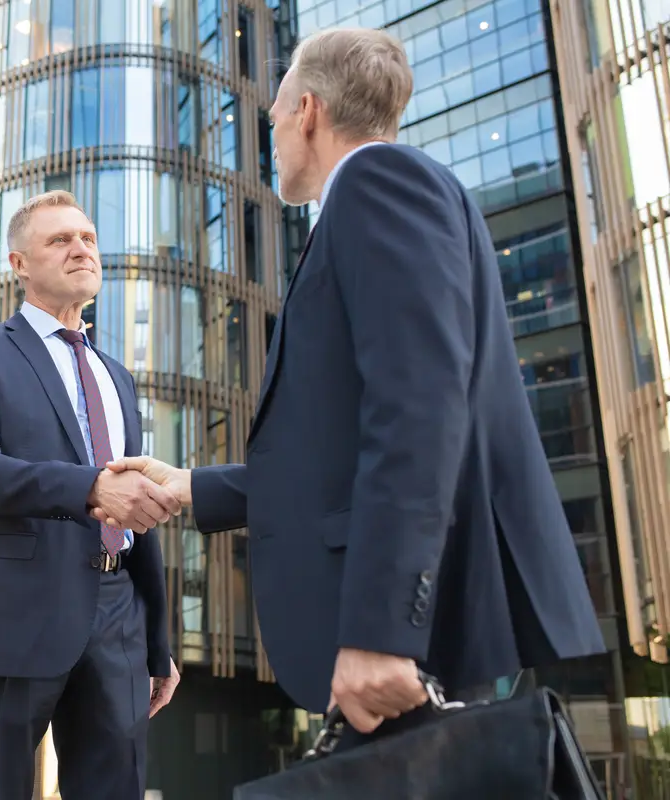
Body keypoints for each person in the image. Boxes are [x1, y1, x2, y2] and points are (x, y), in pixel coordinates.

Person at [100, 27, 604, 749]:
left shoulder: (376, 185)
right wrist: (189, 487)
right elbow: (346, 450)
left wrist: (381, 629)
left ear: (307, 111)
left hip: (415, 635)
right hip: (426, 626)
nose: (272, 133)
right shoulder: (391, 195)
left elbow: (419, 410)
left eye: (273, 115)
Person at [0, 190, 182, 799]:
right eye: (60, 240)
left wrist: (157, 642)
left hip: (119, 615)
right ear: (19, 264)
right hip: (10, 612)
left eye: (88, 238)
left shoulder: (116, 374)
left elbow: (136, 503)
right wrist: (91, 487)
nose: (80, 249)